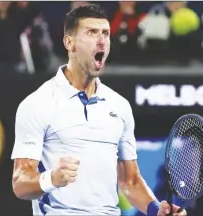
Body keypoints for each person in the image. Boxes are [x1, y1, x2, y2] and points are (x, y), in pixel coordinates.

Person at [11, 4, 187, 216]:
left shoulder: (119, 106)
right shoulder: (37, 104)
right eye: (91, 32)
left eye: (105, 33)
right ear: (69, 42)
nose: (101, 40)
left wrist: (156, 209)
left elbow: (129, 181)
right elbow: (20, 183)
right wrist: (52, 179)